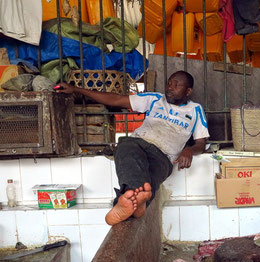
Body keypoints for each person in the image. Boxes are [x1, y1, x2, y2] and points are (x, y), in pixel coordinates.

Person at [55, 71, 209, 225]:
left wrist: (189, 150)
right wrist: (76, 90)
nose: (170, 87)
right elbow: (115, 100)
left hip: (164, 157)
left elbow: (201, 142)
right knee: (126, 146)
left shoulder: (195, 110)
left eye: (177, 84)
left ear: (188, 91)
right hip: (139, 144)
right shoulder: (155, 99)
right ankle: (137, 205)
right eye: (169, 83)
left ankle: (126, 204)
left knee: (151, 180)